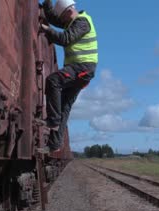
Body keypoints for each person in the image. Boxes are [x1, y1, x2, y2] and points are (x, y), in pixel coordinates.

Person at [39, 0, 98, 153]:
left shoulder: (82, 22)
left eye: (63, 17)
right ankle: (54, 144)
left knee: (53, 80)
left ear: (68, 12)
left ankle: (52, 121)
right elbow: (53, 18)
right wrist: (47, 3)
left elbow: (64, 39)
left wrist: (46, 30)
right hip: (79, 70)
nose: (62, 21)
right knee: (64, 107)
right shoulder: (70, 21)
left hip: (83, 68)